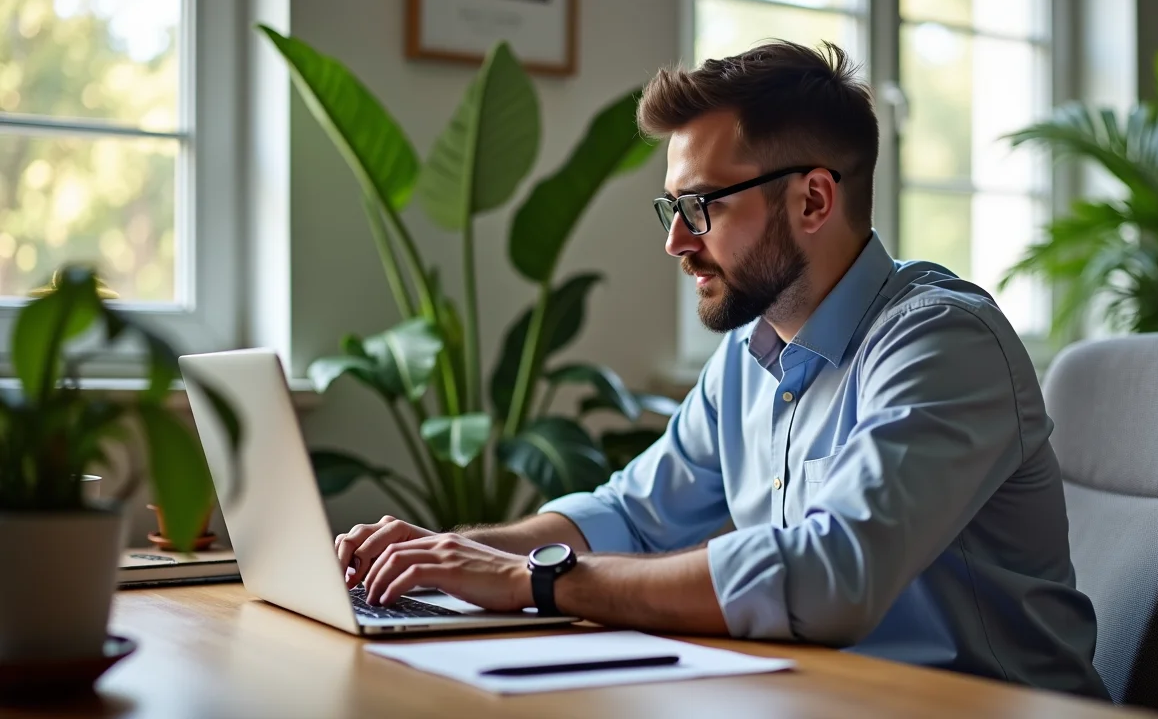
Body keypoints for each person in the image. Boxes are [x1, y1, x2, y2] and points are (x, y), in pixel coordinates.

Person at [334, 40, 1110, 699]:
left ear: (812, 201)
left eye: (701, 206)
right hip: (822, 700)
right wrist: (439, 558)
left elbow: (828, 575)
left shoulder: (942, 342)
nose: (676, 241)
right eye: (671, 208)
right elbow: (631, 517)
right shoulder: (748, 356)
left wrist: (541, 581)